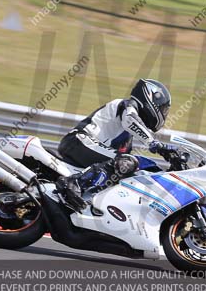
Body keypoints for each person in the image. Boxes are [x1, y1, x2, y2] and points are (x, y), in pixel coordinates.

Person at [55, 78, 175, 211]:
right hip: (78, 141)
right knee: (129, 160)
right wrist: (155, 144)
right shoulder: (126, 105)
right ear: (150, 98)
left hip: (84, 147)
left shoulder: (126, 138)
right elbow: (131, 120)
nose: (164, 114)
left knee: (129, 166)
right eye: (163, 109)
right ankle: (74, 182)